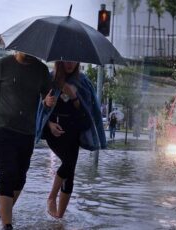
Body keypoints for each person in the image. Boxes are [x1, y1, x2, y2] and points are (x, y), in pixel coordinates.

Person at [0, 52, 55, 230]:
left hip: (27, 132)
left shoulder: (41, 70)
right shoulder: (2, 65)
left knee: (20, 178)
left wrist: (47, 102)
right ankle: (7, 225)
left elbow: (48, 100)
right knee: (7, 174)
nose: (30, 52)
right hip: (3, 129)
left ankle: (3, 212)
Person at [36, 61, 106, 219]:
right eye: (66, 60)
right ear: (59, 60)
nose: (70, 64)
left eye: (73, 60)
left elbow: (85, 113)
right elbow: (39, 107)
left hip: (74, 131)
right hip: (54, 131)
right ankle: (52, 197)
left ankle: (59, 218)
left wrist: (73, 96)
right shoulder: (49, 79)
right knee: (67, 163)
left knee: (70, 173)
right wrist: (48, 118)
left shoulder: (83, 81)